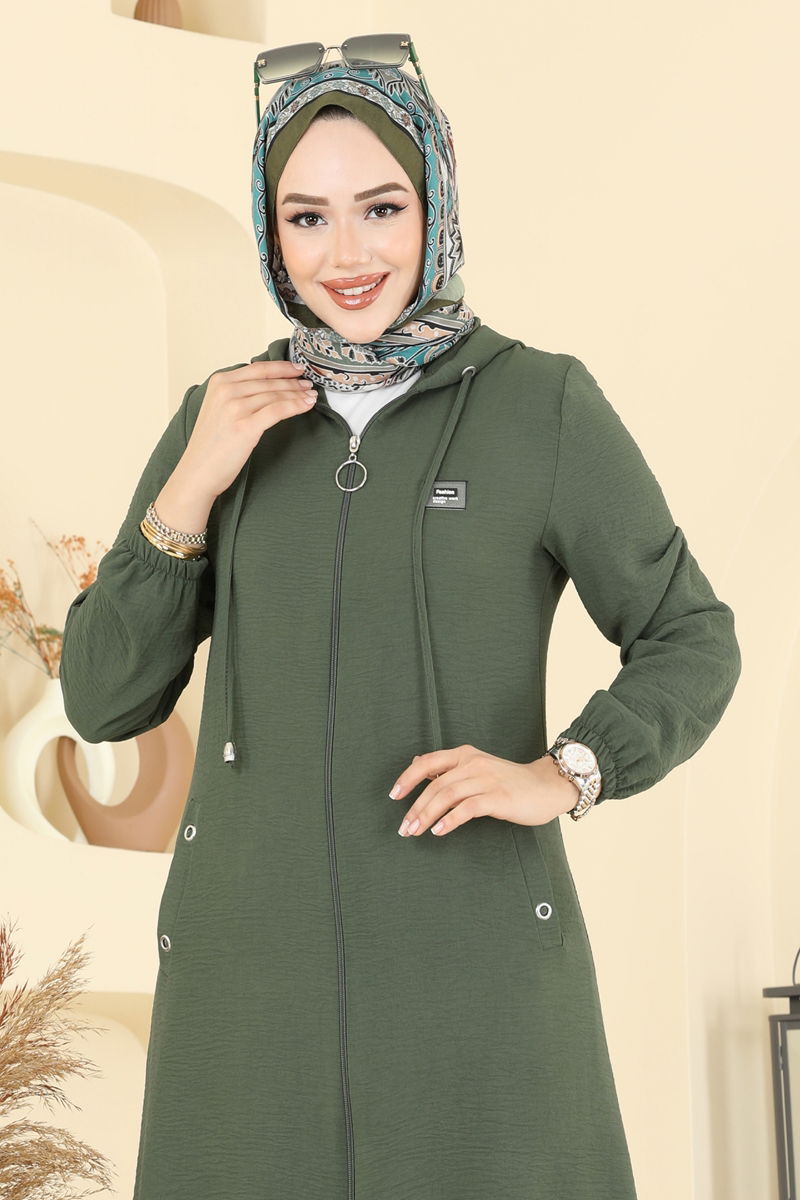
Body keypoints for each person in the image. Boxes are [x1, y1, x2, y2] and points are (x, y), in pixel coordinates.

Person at [59, 38, 742, 1200]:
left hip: (470, 953)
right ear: (271, 233)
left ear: (434, 202)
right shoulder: (221, 416)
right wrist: (193, 482)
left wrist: (568, 770)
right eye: (306, 218)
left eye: (380, 207)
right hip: (249, 971)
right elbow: (103, 696)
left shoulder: (539, 404)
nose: (347, 255)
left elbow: (689, 632)